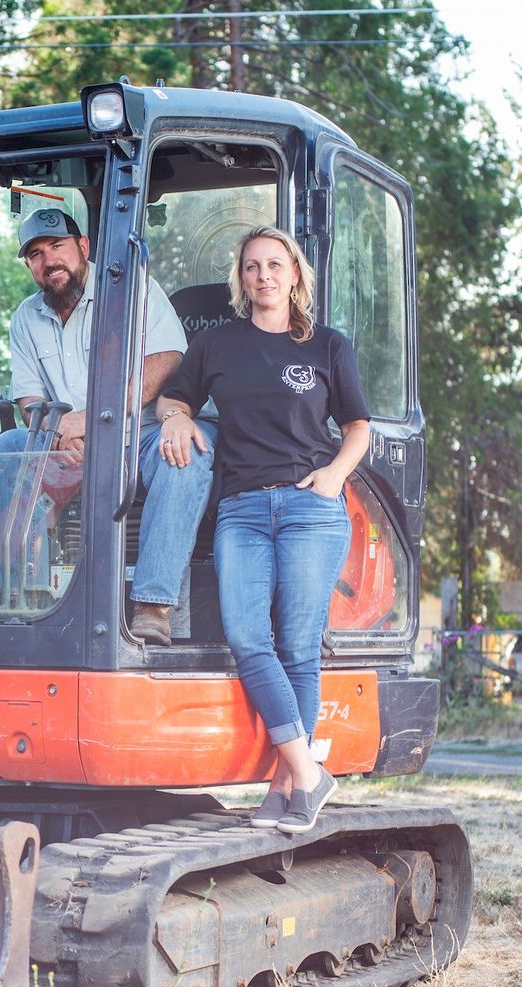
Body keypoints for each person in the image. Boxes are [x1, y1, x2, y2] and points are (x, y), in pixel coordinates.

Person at [156, 225, 371, 834]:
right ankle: (308, 773)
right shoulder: (218, 346)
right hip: (242, 511)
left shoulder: (327, 346)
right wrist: (175, 421)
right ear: (241, 279)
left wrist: (333, 476)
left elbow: (359, 427)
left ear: (294, 275)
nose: (264, 276)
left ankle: (287, 791)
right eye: (252, 267)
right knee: (250, 639)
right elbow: (175, 400)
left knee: (299, 649)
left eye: (275, 265)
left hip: (310, 509)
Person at [0, 205, 210, 641]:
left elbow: (166, 359)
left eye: (57, 246)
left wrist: (94, 421)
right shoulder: (26, 318)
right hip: (62, 439)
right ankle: (10, 594)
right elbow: (30, 396)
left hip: (135, 432)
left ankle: (153, 605)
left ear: (83, 247)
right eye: (35, 253)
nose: (49, 260)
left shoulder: (131, 291)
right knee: (6, 449)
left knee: (186, 456)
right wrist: (57, 434)